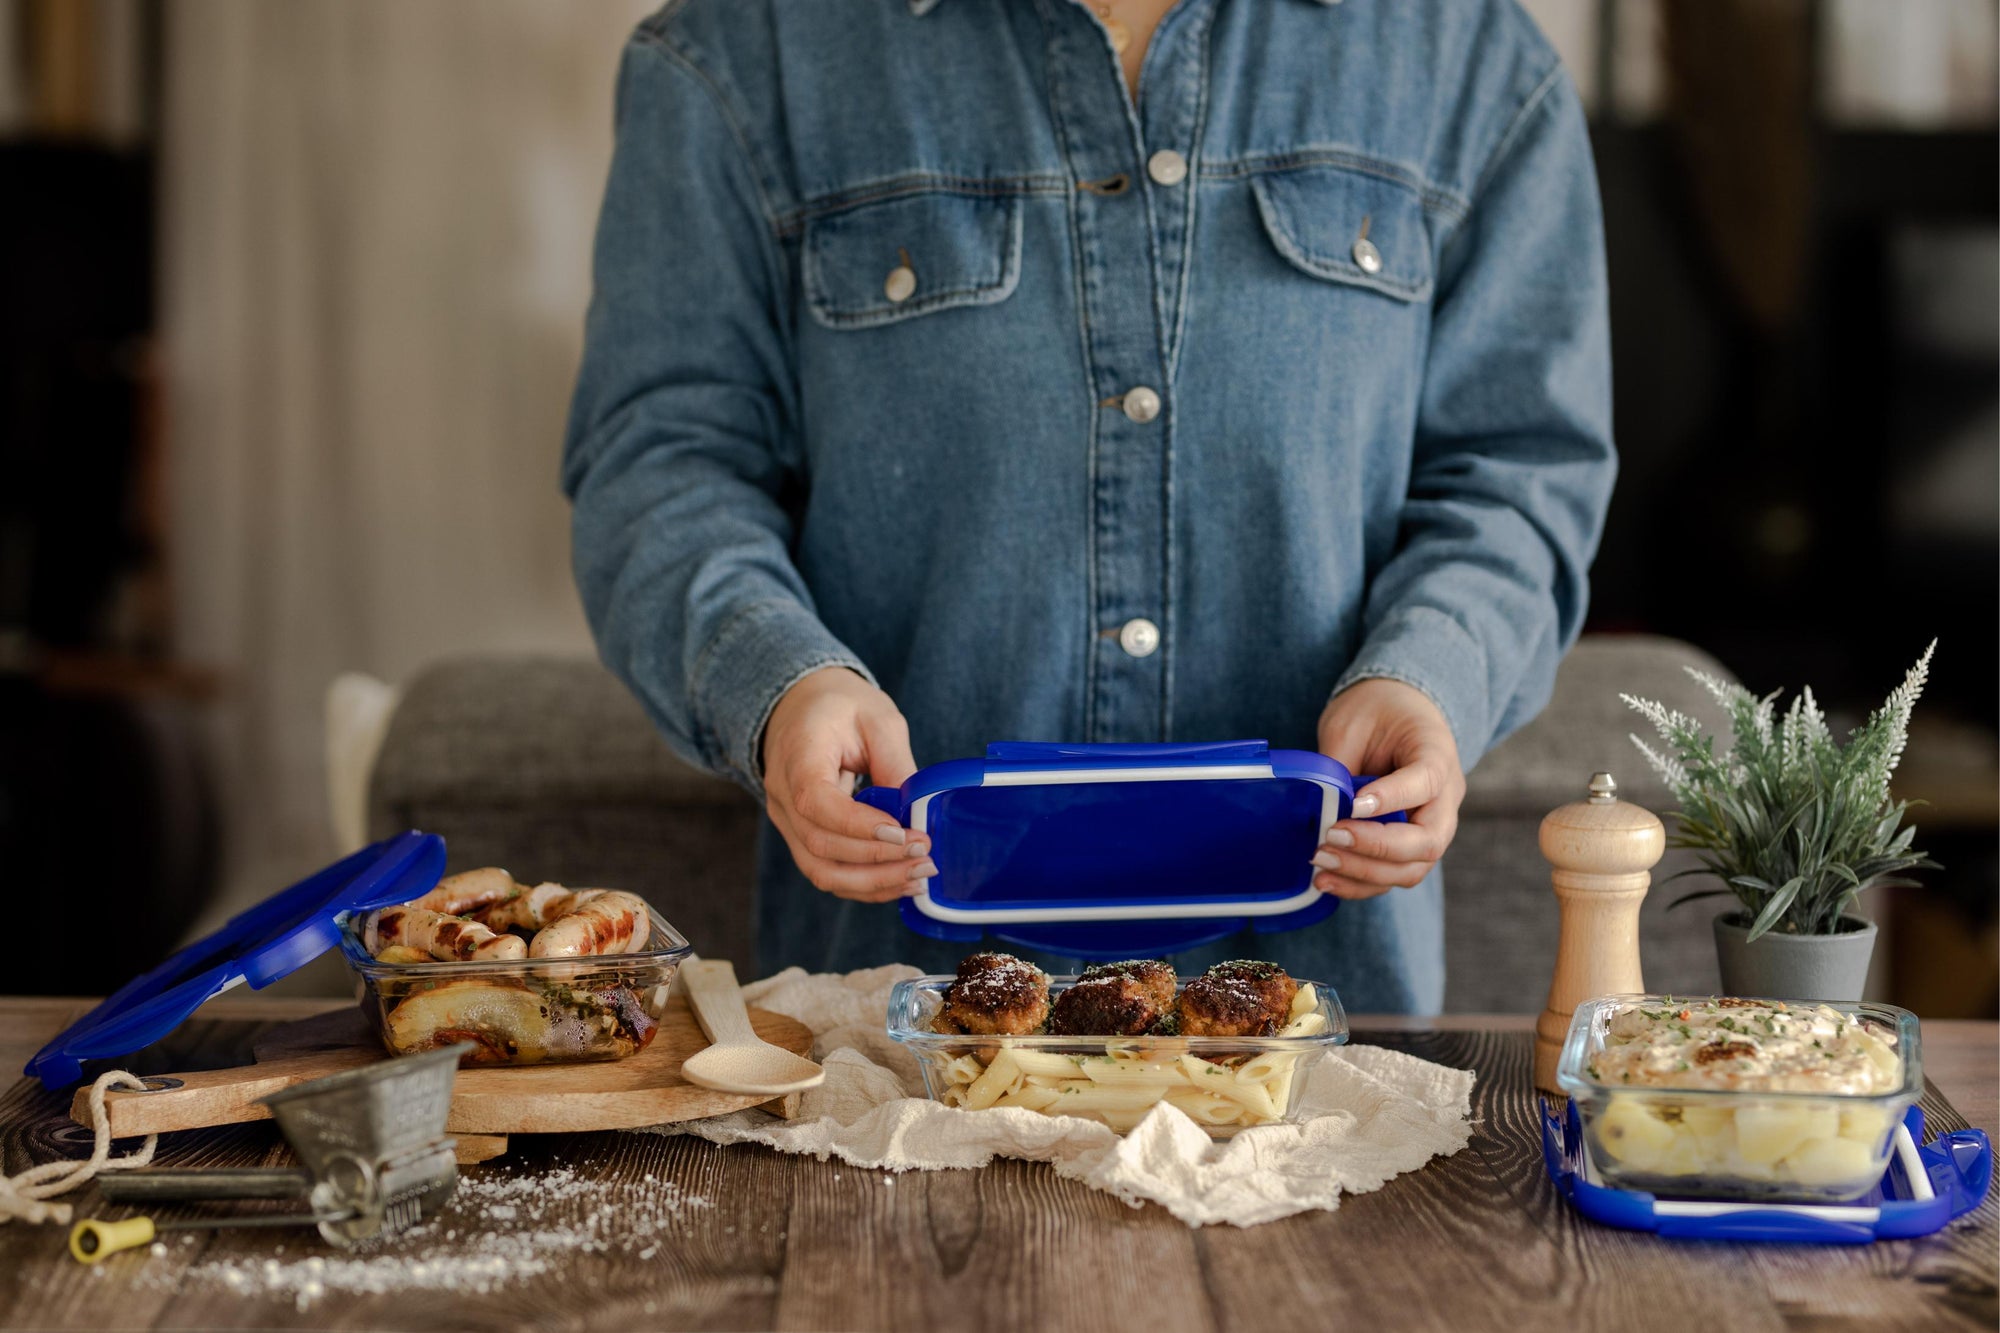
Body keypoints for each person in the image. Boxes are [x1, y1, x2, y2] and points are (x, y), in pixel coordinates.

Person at [563, 0, 1615, 1013]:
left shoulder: (1470, 56)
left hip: (1326, 1026)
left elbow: (1518, 470)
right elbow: (662, 466)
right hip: (888, 1028)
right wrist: (779, 683)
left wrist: (1430, 673)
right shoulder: (737, 52)